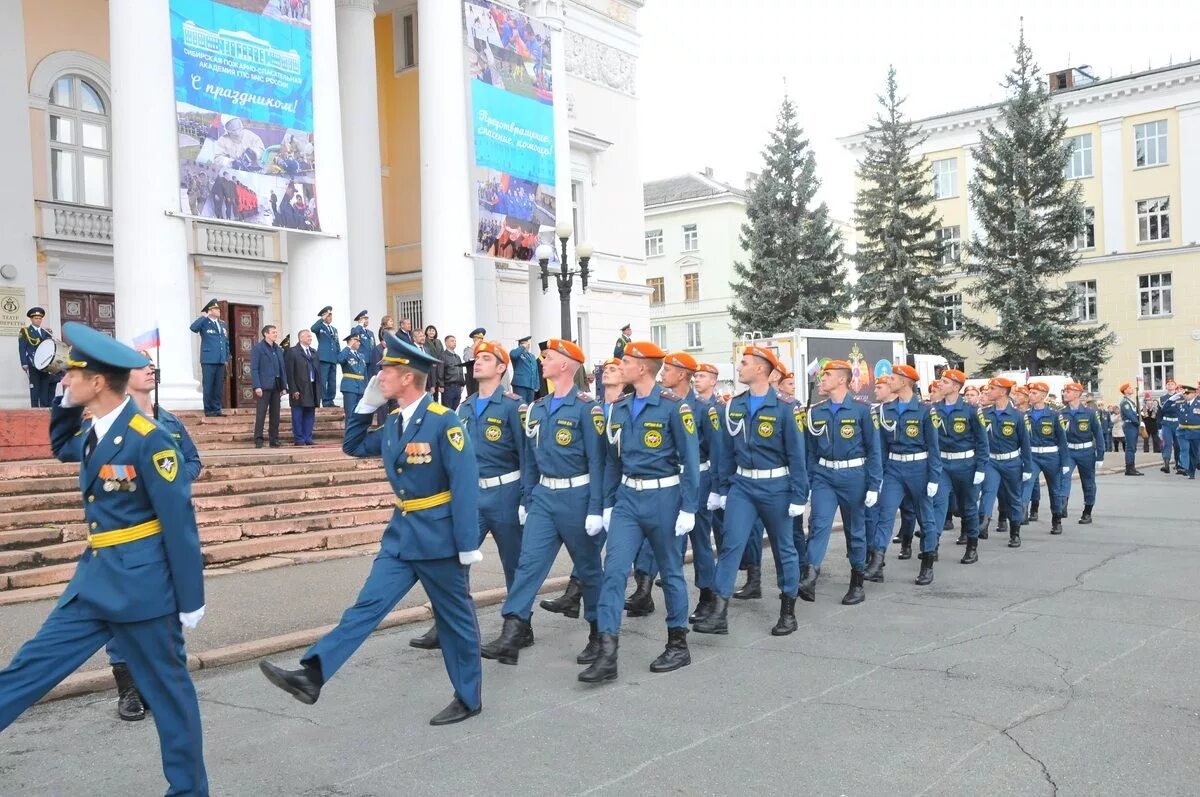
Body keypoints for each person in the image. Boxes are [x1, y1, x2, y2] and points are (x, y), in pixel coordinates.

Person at [8, 322, 208, 794]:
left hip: (144, 591)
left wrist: (190, 599)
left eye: (72, 375)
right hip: (94, 581)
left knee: (170, 696)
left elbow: (179, 524)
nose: (64, 379)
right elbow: (61, 447)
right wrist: (62, 402)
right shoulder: (95, 431)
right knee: (27, 670)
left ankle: (189, 791)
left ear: (97, 382)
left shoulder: (150, 438)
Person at [259, 333, 484, 726]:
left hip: (439, 541)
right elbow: (354, 445)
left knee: (455, 621)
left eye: (386, 372)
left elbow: (464, 486)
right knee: (365, 608)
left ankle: (468, 697)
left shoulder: (443, 423)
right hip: (401, 538)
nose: (379, 377)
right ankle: (313, 675)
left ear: (408, 378)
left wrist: (467, 545)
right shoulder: (395, 423)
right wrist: (364, 407)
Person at [479, 339, 605, 668]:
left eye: (548, 357)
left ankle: (598, 633)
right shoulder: (536, 407)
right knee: (528, 566)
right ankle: (512, 631)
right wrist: (528, 496)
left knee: (590, 570)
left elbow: (598, 462)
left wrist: (596, 508)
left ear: (565, 365)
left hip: (578, 496)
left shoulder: (586, 408)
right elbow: (530, 458)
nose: (542, 361)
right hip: (545, 498)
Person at [580, 341, 699, 683]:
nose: (620, 366)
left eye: (627, 361)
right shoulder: (618, 409)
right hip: (628, 499)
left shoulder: (674, 407)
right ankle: (607, 652)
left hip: (664, 497)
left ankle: (678, 643)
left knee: (671, 572)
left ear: (643, 368)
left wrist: (689, 507)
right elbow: (609, 461)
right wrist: (604, 504)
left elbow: (690, 460)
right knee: (614, 570)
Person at [413, 341, 526, 651]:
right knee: (452, 559)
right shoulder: (465, 406)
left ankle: (518, 627)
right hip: (471, 497)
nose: (477, 363)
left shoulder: (514, 406)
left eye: (486, 359)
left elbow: (527, 456)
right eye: (476, 359)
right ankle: (448, 623)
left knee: (514, 564)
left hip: (506, 492)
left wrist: (526, 499)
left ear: (501, 367)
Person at [694, 346, 805, 634]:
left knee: (784, 548)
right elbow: (727, 452)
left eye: (744, 363)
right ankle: (719, 613)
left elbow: (797, 455)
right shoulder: (735, 405)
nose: (739, 367)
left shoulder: (785, 407)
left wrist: (799, 495)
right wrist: (722, 488)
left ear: (760, 369)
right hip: (743, 486)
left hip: (776, 486)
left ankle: (788, 611)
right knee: (730, 545)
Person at [540, 356, 623, 619]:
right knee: (590, 546)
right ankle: (575, 597)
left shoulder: (627, 406)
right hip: (600, 487)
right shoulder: (596, 407)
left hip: (626, 486)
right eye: (605, 369)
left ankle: (637, 593)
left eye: (614, 369)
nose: (607, 373)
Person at [797, 360, 882, 605]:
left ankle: (857, 583)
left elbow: (873, 449)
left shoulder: (862, 410)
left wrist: (875, 485)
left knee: (855, 530)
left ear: (842, 380)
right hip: (824, 476)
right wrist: (811, 481)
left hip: (854, 475)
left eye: (828, 375)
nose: (822, 379)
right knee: (819, 525)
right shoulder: (816, 411)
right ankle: (810, 575)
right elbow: (811, 451)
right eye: (822, 376)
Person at [864, 364, 942, 586]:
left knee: (925, 517)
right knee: (885, 515)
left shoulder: (926, 410)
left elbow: (934, 447)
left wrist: (934, 477)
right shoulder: (884, 410)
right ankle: (877, 560)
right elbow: (879, 449)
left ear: (906, 381)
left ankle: (927, 563)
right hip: (894, 469)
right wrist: (876, 478)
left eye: (893, 378)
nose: (889, 381)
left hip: (920, 467)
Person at [931, 369, 989, 565]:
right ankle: (932, 545)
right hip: (943, 465)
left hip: (966, 463)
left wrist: (981, 468)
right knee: (938, 504)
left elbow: (982, 441)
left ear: (956, 387)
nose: (940, 384)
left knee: (969, 507)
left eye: (945, 381)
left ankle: (972, 546)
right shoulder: (934, 409)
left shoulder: (971, 410)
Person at [979, 377, 1033, 547]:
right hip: (991, 461)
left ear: (1003, 391)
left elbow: (1025, 443)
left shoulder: (1018, 416)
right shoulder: (985, 414)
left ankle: (1015, 532)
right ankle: (983, 523)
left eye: (992, 388)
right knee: (988, 491)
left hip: (1012, 462)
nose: (988, 391)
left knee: (1013, 497)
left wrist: (1028, 467)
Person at [1025, 381, 1068, 534]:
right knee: (1026, 485)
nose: (1030, 395)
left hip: (1051, 456)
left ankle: (1056, 520)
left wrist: (1065, 462)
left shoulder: (1054, 416)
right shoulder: (1025, 416)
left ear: (1043, 396)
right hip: (1032, 456)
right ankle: (1020, 516)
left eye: (1034, 393)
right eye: (1030, 392)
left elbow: (1062, 440)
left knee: (1054, 490)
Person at [1059, 382, 1105, 524]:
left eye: (1068, 391)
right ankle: (1063, 504)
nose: (1065, 393)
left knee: (1088, 483)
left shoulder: (1090, 413)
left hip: (1086, 452)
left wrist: (1100, 455)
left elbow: (1098, 434)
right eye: (1064, 391)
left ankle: (1087, 512)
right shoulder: (1061, 413)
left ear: (1077, 394)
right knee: (1063, 477)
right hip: (1068, 451)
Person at [189, 298, 230, 417]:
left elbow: (225, 342)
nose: (219, 310)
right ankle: (209, 410)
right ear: (210, 310)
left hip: (220, 360)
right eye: (216, 309)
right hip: (208, 359)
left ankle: (217, 409)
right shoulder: (204, 323)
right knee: (208, 385)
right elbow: (193, 328)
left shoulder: (222, 324)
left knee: (218, 386)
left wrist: (226, 357)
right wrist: (204, 316)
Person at [250, 324, 286, 448]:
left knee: (275, 414)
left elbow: (282, 368)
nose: (276, 334)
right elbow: (254, 368)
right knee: (261, 414)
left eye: (276, 332)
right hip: (263, 386)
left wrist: (283, 386)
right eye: (273, 332)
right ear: (266, 334)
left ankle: (274, 439)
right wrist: (257, 386)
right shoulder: (258, 348)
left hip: (276, 385)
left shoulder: (278, 349)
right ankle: (258, 439)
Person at [285, 330, 319, 446]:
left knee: (310, 414)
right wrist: (293, 389)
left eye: (310, 336)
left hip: (312, 387)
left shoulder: (313, 352)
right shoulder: (292, 352)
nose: (310, 338)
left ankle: (307, 437)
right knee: (298, 414)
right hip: (299, 388)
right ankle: (299, 438)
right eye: (308, 336)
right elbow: (290, 373)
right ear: (301, 338)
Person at [18, 306, 57, 407]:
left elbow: (50, 347)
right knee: (35, 387)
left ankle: (44, 409)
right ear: (31, 319)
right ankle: (34, 408)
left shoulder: (46, 332)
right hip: (33, 363)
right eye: (36, 318)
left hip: (45, 364)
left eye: (40, 318)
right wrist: (24, 363)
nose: (38, 320)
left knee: (45, 386)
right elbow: (22, 348)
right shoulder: (25, 331)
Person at [310, 307, 340, 407]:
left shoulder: (334, 329)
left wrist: (338, 356)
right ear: (324, 316)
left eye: (331, 315)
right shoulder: (320, 327)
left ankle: (330, 400)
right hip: (324, 357)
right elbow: (313, 328)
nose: (330, 317)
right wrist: (322, 319)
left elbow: (337, 343)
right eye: (328, 315)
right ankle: (325, 400)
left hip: (333, 358)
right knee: (323, 380)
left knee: (332, 380)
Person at [338, 333, 367, 419]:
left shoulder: (361, 356)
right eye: (356, 340)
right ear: (351, 341)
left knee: (359, 415)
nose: (359, 343)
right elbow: (340, 359)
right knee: (350, 414)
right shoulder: (345, 353)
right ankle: (349, 433)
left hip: (361, 387)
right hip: (350, 386)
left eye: (359, 341)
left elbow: (364, 374)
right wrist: (348, 346)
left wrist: (366, 388)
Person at [1158, 381, 1185, 473]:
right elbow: (1161, 411)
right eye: (1168, 384)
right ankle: (1166, 464)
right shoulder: (1162, 398)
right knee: (1167, 444)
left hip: (1177, 423)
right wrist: (1159, 428)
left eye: (1172, 384)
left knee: (1178, 445)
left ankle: (1178, 465)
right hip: (1167, 423)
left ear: (1175, 386)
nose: (1170, 385)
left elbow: (1180, 410)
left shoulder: (1180, 397)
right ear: (1166, 386)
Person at [1119, 383, 1144, 475]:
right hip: (1130, 425)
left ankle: (1131, 467)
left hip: (1133, 425)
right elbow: (1130, 415)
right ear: (1125, 391)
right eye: (1129, 388)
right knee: (1130, 448)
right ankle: (1129, 468)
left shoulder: (1130, 401)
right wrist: (1139, 423)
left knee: (1133, 448)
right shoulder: (1125, 402)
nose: (1131, 389)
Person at [509, 335, 539, 404]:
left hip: (531, 386)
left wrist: (537, 385)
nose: (528, 345)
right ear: (520, 345)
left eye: (528, 344)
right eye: (525, 343)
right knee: (521, 405)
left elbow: (535, 370)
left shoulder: (532, 356)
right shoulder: (516, 353)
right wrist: (522, 347)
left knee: (529, 406)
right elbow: (513, 355)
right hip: (520, 385)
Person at [1178, 384, 1199, 479]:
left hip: (1196, 432)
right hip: (1183, 431)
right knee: (1184, 449)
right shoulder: (1180, 403)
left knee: (1194, 453)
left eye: (1187, 393)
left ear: (1194, 394)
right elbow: (1165, 408)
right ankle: (1183, 467)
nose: (1185, 395)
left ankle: (1192, 472)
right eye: (1184, 393)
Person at [440, 335, 466, 410]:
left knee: (456, 410)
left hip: (458, 388)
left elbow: (460, 371)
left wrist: (462, 384)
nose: (454, 342)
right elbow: (440, 371)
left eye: (455, 341)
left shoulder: (457, 357)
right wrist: (441, 385)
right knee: (447, 411)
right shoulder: (443, 356)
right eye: (452, 341)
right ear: (446, 343)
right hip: (448, 388)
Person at [463, 328, 486, 397]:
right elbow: (467, 358)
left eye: (481, 338)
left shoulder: (486, 349)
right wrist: (475, 345)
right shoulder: (468, 349)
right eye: (478, 338)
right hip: (473, 379)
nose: (480, 340)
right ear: (473, 339)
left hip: (484, 378)